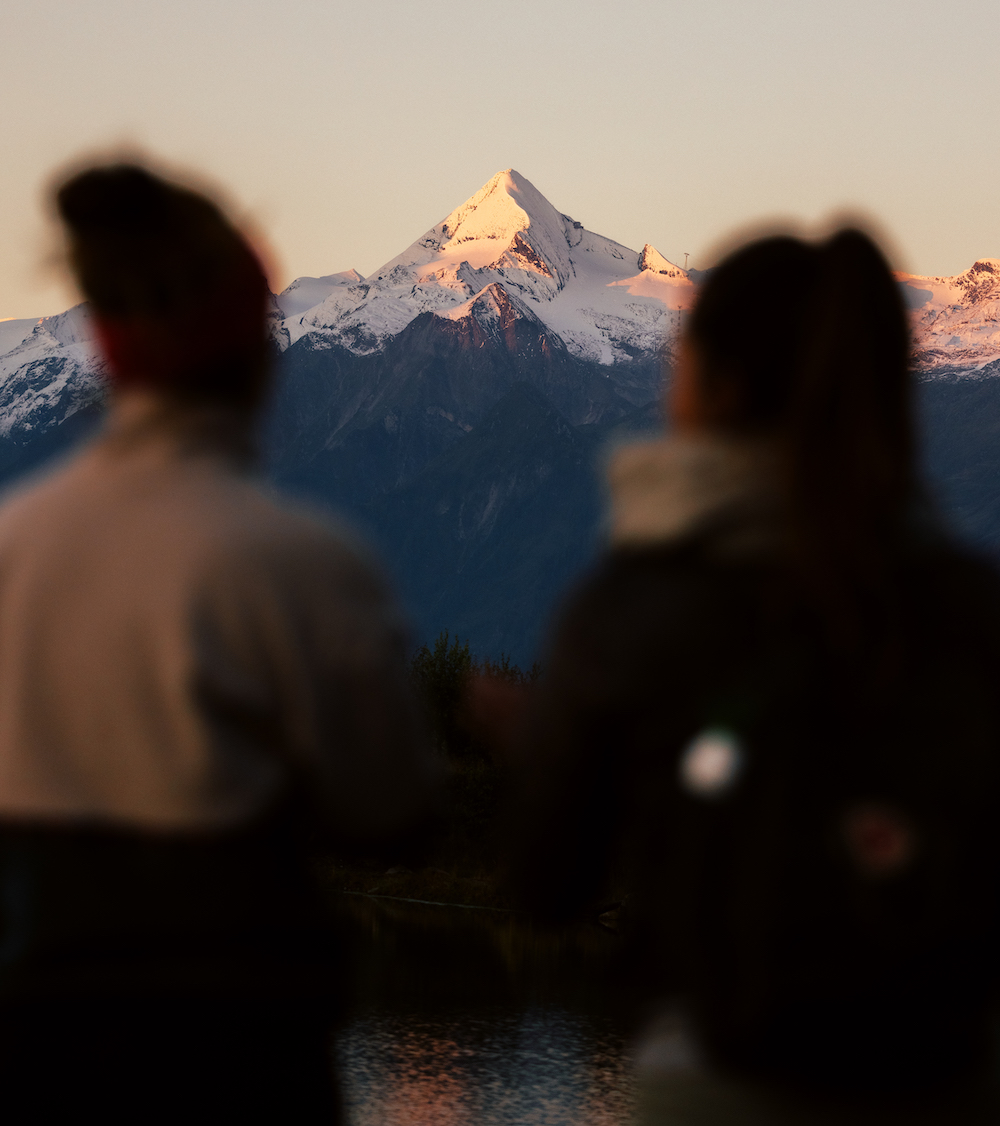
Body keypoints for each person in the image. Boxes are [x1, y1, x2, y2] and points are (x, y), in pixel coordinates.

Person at [505, 229, 1000, 1122]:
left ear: (717, 387)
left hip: (714, 1081)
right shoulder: (971, 608)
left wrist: (544, 742)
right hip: (948, 1080)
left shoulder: (632, 611)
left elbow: (549, 888)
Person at [0, 162, 439, 1122]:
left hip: (28, 1049)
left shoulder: (12, 546)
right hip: (240, 1061)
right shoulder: (301, 564)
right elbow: (392, 814)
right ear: (257, 349)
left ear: (109, 349)